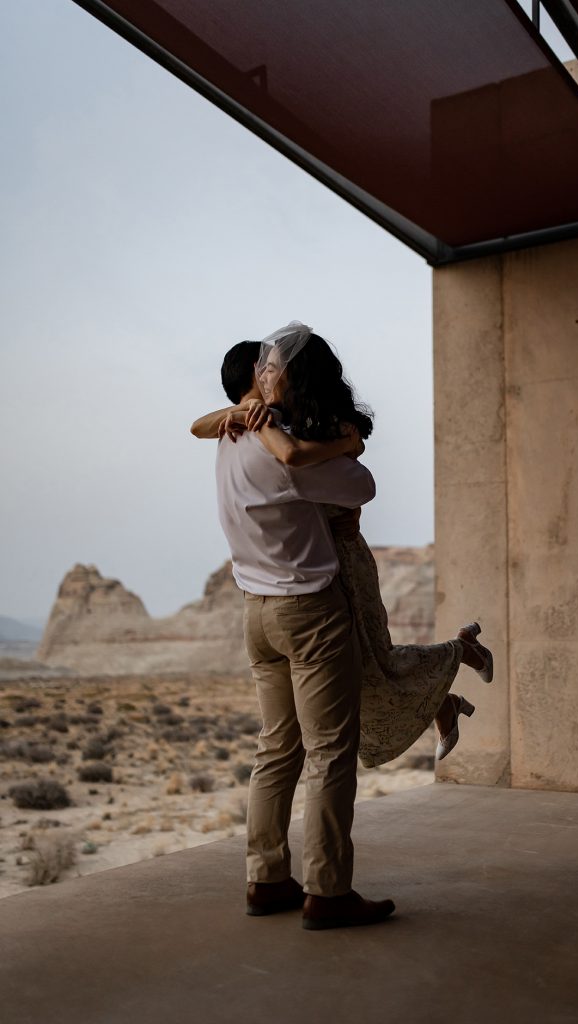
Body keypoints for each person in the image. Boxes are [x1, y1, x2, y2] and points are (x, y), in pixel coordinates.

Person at [192, 323, 494, 773]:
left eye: (274, 367)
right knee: (369, 670)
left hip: (343, 559)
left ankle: (459, 657)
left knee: (376, 662)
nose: (268, 375)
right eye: (263, 369)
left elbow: (324, 472)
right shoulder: (263, 425)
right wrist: (240, 413)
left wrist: (341, 443)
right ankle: (446, 691)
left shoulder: (314, 428)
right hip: (323, 561)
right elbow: (201, 426)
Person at [203, 325, 396, 930]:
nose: (267, 371)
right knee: (331, 752)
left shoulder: (233, 436)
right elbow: (363, 487)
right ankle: (329, 891)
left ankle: (266, 879)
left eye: (273, 366)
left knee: (276, 748)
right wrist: (343, 440)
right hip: (310, 613)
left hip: (255, 612)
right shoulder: (285, 454)